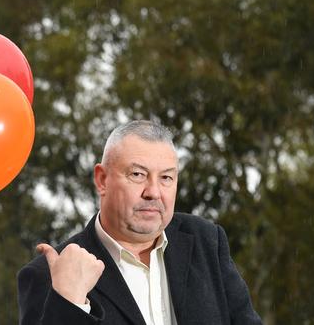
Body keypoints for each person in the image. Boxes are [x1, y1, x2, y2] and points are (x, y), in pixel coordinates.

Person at [17, 120, 262, 325]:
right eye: (138, 175)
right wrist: (69, 303)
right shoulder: (49, 274)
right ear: (102, 180)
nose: (153, 192)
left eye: (166, 177)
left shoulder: (207, 242)